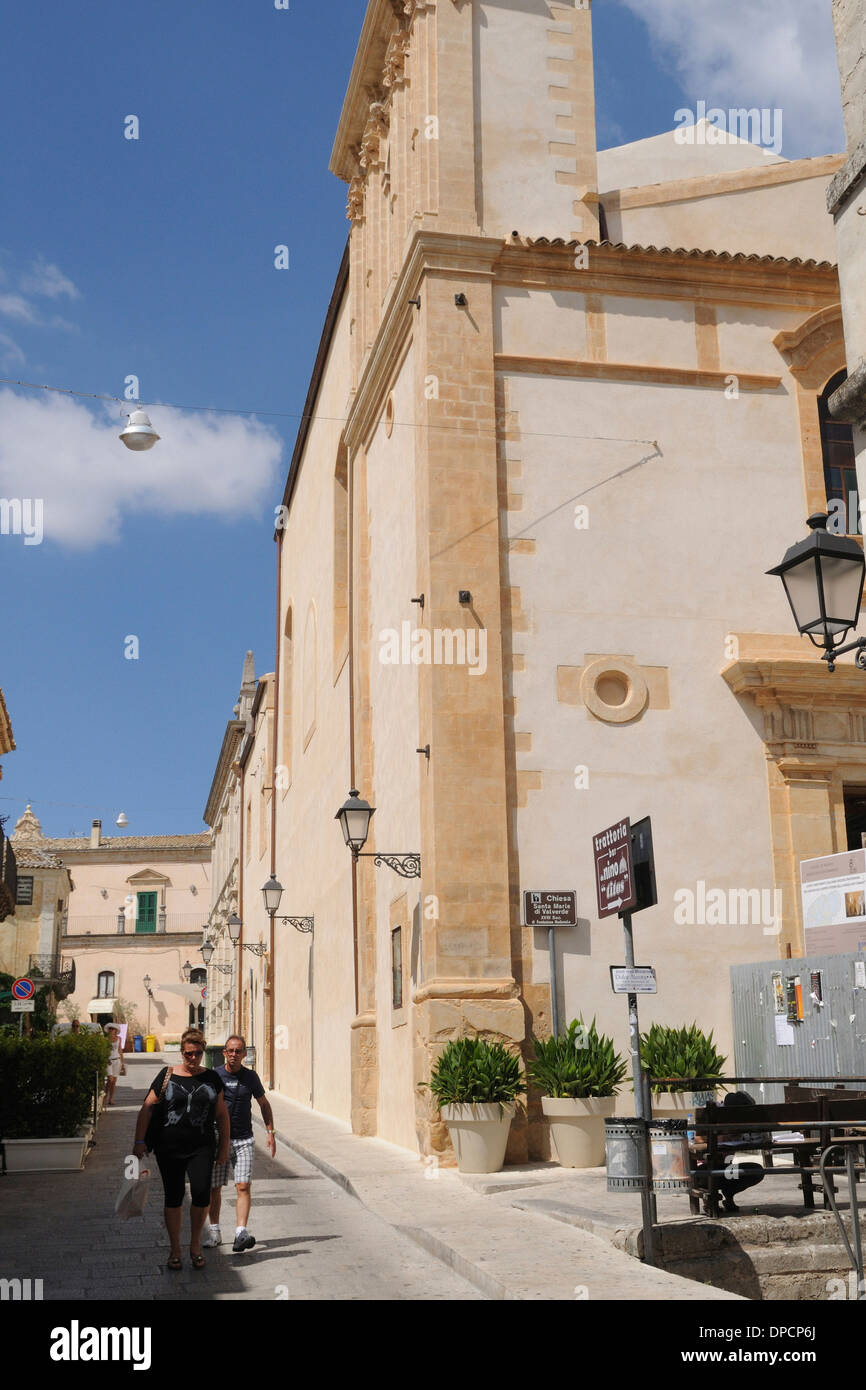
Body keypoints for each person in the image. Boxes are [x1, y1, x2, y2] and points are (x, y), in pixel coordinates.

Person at [132, 1027, 230, 1270]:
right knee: (174, 1197)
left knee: (200, 1194)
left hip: (202, 1147)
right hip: (169, 1147)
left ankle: (195, 1245)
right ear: (182, 1053)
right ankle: (175, 1248)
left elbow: (222, 1114)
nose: (193, 1059)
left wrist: (224, 1147)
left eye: (197, 1053)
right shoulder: (167, 1075)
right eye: (188, 1054)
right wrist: (139, 1141)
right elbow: (147, 1107)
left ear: (202, 1052)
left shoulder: (212, 1078)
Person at [204, 1035, 276, 1253]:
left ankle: (240, 1232)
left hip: (244, 1138)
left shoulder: (251, 1077)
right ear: (224, 1053)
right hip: (218, 1139)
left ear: (244, 1054)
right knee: (214, 1188)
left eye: (238, 1051)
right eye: (230, 1051)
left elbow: (264, 1104)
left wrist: (271, 1131)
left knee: (243, 1185)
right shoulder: (214, 1075)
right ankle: (215, 1232)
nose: (234, 1055)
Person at [694, 1090, 765, 1213]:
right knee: (708, 1175)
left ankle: (729, 1195)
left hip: (727, 1165)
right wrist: (718, 1138)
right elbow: (696, 1139)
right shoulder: (710, 1113)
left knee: (756, 1171)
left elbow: (760, 1138)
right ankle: (709, 1202)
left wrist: (738, 1136)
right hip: (705, 1167)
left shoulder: (743, 1121)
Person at [104, 1024, 126, 1105]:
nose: (111, 1030)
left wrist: (123, 1063)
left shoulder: (119, 1039)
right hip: (108, 1061)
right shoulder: (105, 1039)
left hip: (117, 1060)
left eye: (113, 1029)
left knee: (114, 1081)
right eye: (110, 1028)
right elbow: (104, 1051)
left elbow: (120, 1051)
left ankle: (111, 1098)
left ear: (116, 1030)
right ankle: (105, 1097)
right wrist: (106, 1059)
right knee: (110, 1079)